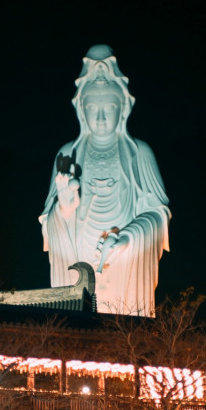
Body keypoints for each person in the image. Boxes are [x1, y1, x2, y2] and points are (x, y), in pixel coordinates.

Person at [39, 44, 171, 316]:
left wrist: (128, 239)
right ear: (81, 110)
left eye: (108, 107)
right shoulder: (68, 154)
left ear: (122, 109)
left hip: (125, 269)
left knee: (122, 341)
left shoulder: (139, 154)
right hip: (79, 265)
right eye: (93, 107)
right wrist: (64, 207)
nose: (100, 117)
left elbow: (158, 216)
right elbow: (50, 227)